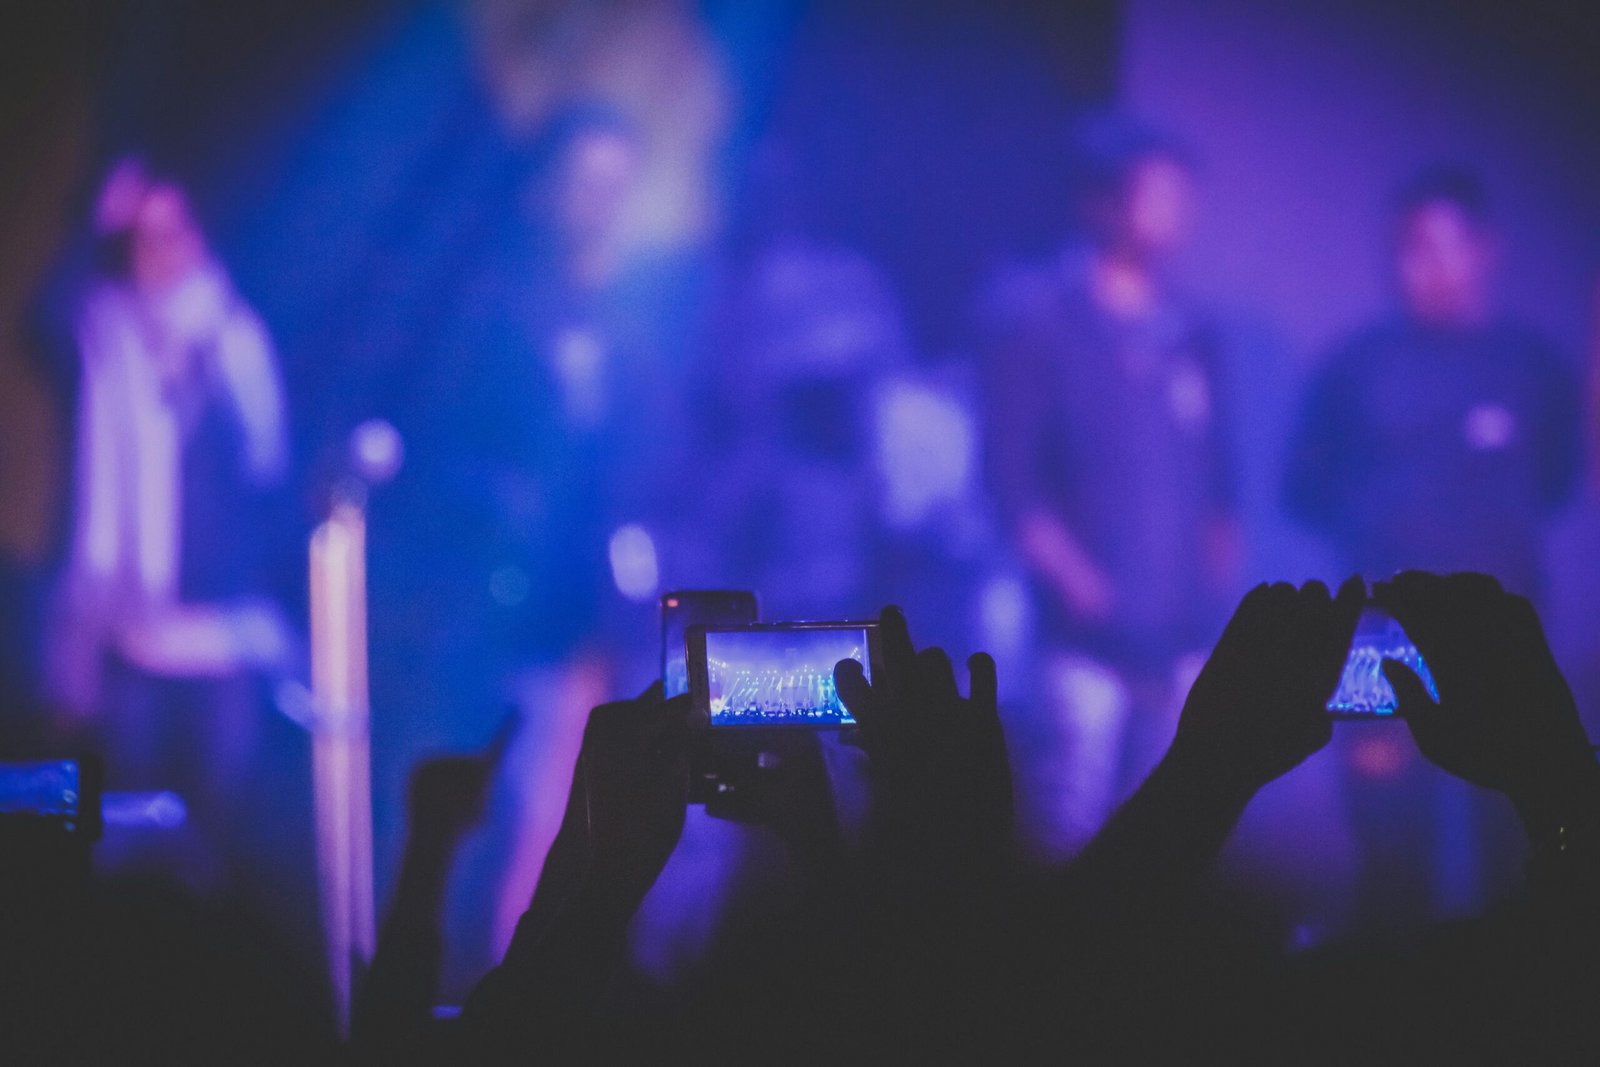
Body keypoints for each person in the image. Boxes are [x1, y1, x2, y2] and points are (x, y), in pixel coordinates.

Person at [1284, 168, 1586, 930]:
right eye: (1409, 249)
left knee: (1510, 839)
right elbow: (1303, 487)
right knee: (1387, 849)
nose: (1426, 265)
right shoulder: (1357, 366)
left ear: (1485, 251)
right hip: (1375, 636)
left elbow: (1557, 476)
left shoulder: (1530, 365)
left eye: (1445, 247)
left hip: (1503, 637)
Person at [983, 114, 1237, 856]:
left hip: (1181, 636)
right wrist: (1079, 583)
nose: (1175, 210)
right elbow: (1010, 482)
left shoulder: (1191, 328)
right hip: (1085, 644)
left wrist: (1211, 591)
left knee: (1174, 832)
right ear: (1105, 203)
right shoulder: (1043, 323)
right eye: (1155, 193)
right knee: (1071, 829)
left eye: (1182, 194)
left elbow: (1221, 483)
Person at [45, 158, 292, 893]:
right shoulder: (101, 332)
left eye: (175, 232)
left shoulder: (237, 340)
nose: (163, 251)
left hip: (221, 634)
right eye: (142, 236)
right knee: (123, 841)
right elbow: (42, 313)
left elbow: (266, 470)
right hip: (132, 630)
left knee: (215, 848)